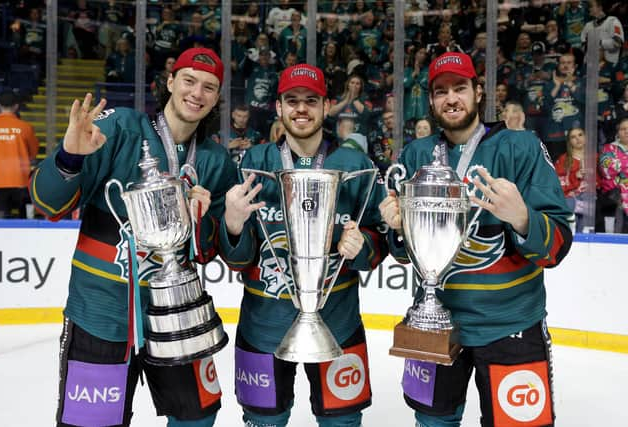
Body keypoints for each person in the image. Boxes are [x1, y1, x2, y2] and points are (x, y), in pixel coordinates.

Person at [28, 47, 236, 427]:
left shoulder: (215, 161)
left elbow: (209, 252)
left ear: (217, 98)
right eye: (189, 80)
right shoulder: (120, 127)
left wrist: (204, 221)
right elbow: (47, 204)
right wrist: (70, 156)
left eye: (209, 86)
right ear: (170, 82)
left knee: (198, 418)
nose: (197, 93)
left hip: (179, 313)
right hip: (101, 315)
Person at [379, 52, 573, 427]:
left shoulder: (521, 147)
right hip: (432, 324)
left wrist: (521, 217)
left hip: (509, 324)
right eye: (440, 91)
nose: (451, 98)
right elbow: (403, 255)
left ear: (478, 91)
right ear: (431, 100)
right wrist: (399, 230)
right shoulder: (416, 154)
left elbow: (558, 244)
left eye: (460, 88)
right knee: (432, 422)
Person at [219, 64, 388, 427]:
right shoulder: (254, 163)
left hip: (338, 325)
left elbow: (380, 238)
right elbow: (237, 255)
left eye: (311, 101)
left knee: (341, 422)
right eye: (291, 100)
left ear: (326, 107)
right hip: (263, 326)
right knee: (263, 421)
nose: (301, 109)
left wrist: (362, 246)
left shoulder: (353, 164)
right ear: (278, 107)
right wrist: (232, 225)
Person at [0, 90, 39, 218]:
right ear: (16, 106)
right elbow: (33, 152)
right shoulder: (25, 127)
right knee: (25, 211)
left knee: (1, 209)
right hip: (20, 177)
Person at [555, 127, 594, 232]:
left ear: (586, 137)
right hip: (570, 201)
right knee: (571, 234)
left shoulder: (595, 157)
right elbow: (556, 186)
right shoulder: (563, 159)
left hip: (590, 200)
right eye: (573, 137)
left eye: (580, 135)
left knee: (587, 233)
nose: (578, 139)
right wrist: (574, 177)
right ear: (569, 142)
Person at [599, 117, 628, 233]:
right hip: (615, 195)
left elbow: (616, 166)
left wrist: (620, 164)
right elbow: (607, 169)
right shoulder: (608, 148)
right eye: (623, 129)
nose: (627, 131)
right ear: (618, 132)